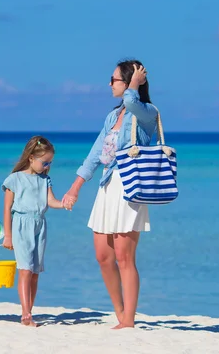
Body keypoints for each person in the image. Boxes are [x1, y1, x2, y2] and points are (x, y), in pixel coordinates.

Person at [62, 60, 156, 329]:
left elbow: (135, 104)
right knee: (103, 256)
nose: (109, 84)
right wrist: (76, 186)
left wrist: (135, 87)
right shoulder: (112, 117)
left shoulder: (147, 113)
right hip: (106, 187)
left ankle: (129, 320)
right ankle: (119, 312)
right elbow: (95, 154)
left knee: (125, 257)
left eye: (114, 79)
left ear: (129, 83)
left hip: (129, 188)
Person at [1, 136, 66, 327]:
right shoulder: (14, 179)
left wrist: (63, 204)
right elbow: (7, 208)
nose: (46, 166)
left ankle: (30, 309)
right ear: (31, 158)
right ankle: (25, 313)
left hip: (40, 225)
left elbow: (51, 201)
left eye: (49, 163)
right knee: (25, 270)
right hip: (21, 225)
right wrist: (8, 235)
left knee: (35, 272)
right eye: (44, 162)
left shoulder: (45, 179)